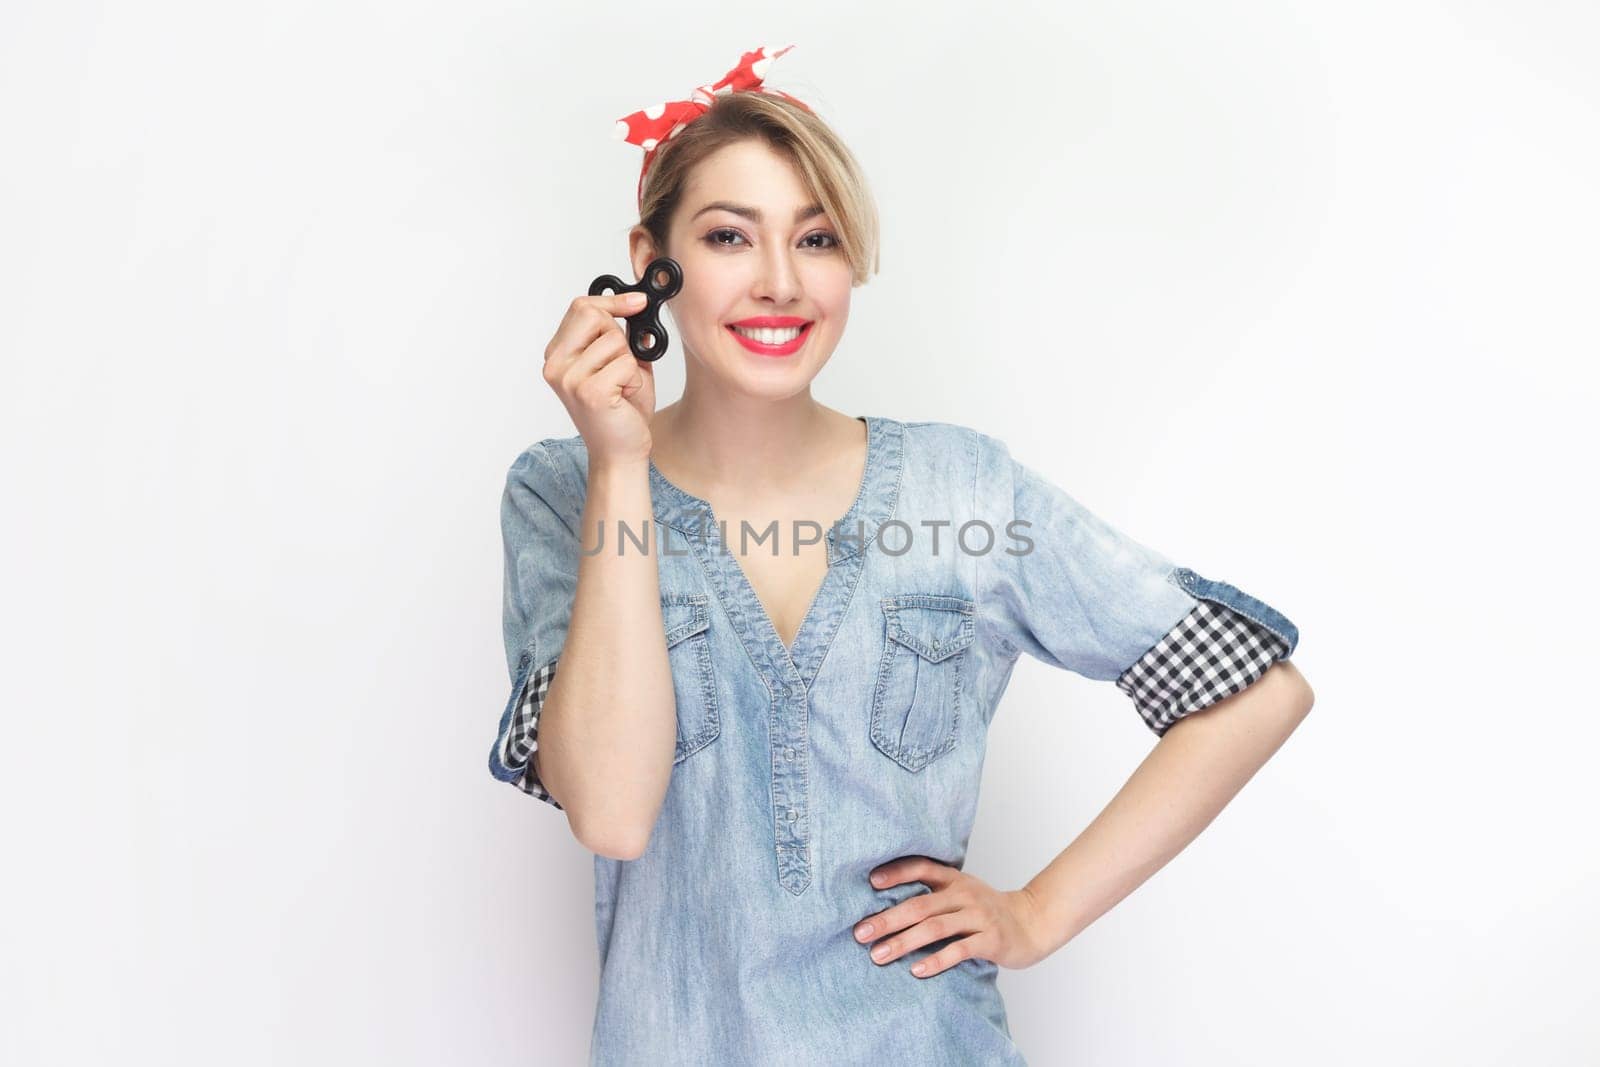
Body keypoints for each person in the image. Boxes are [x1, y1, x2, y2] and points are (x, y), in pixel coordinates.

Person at [487, 45, 1315, 1066]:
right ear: (650, 259)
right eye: (728, 236)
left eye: (818, 238)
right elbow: (610, 811)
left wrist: (1037, 912)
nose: (780, 282)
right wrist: (619, 464)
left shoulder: (961, 490)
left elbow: (1254, 692)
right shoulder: (559, 491)